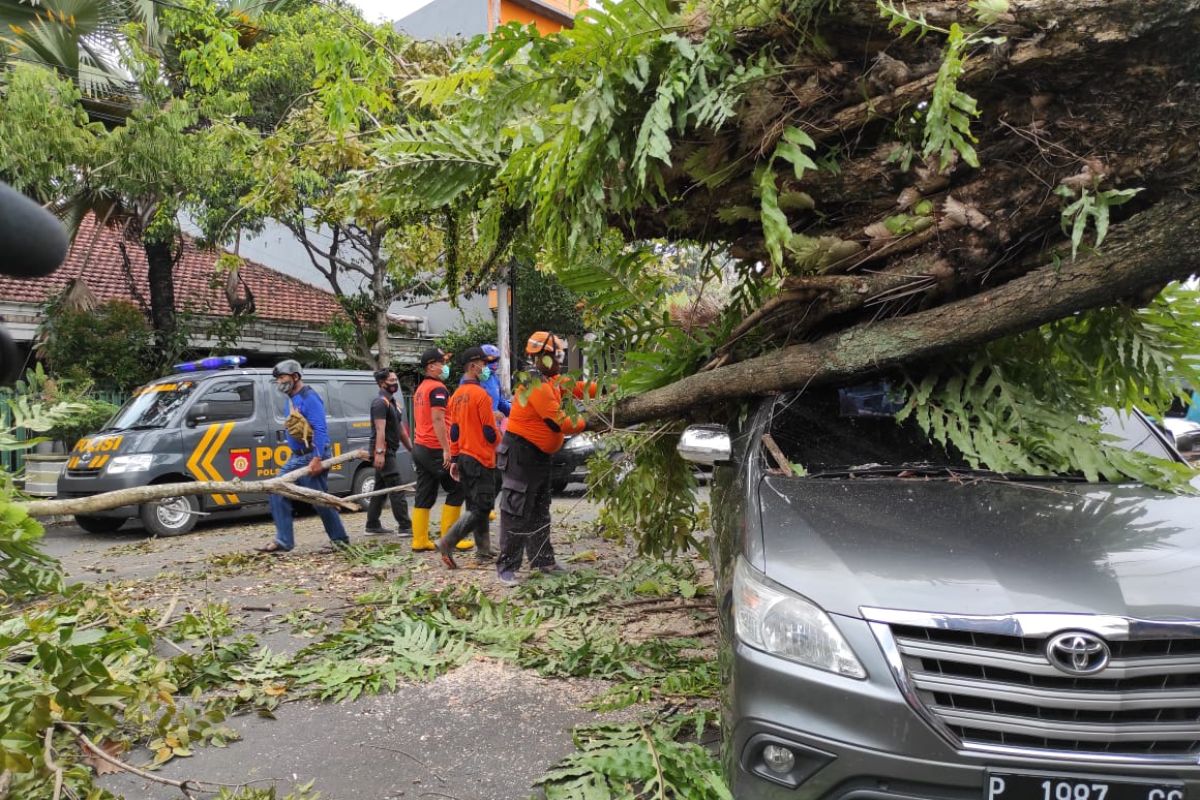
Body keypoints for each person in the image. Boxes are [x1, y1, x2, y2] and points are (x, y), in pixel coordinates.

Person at [495, 331, 596, 586]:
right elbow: (559, 422)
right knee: (517, 510)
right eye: (556, 356)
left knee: (540, 508)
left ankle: (543, 561)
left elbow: (579, 387)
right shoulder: (535, 385)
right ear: (542, 357)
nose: (560, 361)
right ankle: (507, 567)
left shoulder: (551, 379)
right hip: (521, 453)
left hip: (539, 455)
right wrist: (592, 423)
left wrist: (612, 388)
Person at [256, 359, 349, 553]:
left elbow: (321, 430)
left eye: (282, 377)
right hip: (298, 456)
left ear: (295, 376)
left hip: (310, 457)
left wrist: (317, 458)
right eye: (278, 379)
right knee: (318, 499)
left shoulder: (309, 397)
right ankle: (338, 540)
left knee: (277, 488)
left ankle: (285, 541)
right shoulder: (291, 398)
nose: (279, 382)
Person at [436, 347, 500, 567]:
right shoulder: (480, 395)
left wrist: (454, 458)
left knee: (475, 505)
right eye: (483, 364)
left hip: (464, 456)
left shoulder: (456, 396)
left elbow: (453, 431)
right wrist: (502, 447)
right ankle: (447, 542)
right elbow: (490, 432)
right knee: (482, 507)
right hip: (481, 457)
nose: (486, 368)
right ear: (473, 366)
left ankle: (483, 551)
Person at [410, 347, 469, 552]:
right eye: (442, 363)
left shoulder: (421, 388)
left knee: (425, 492)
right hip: (435, 448)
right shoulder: (437, 389)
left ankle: (419, 540)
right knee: (457, 488)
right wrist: (447, 450)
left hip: (420, 446)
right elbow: (437, 419)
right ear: (431, 366)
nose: (445, 367)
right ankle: (450, 539)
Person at [364, 368, 414, 536]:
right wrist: (379, 453)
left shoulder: (393, 403)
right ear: (381, 383)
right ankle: (405, 526)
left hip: (389, 449)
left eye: (395, 380)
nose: (395, 383)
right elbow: (380, 430)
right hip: (383, 450)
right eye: (391, 381)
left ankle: (372, 524)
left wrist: (412, 450)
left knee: (381, 487)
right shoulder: (380, 403)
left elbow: (401, 431)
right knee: (396, 487)